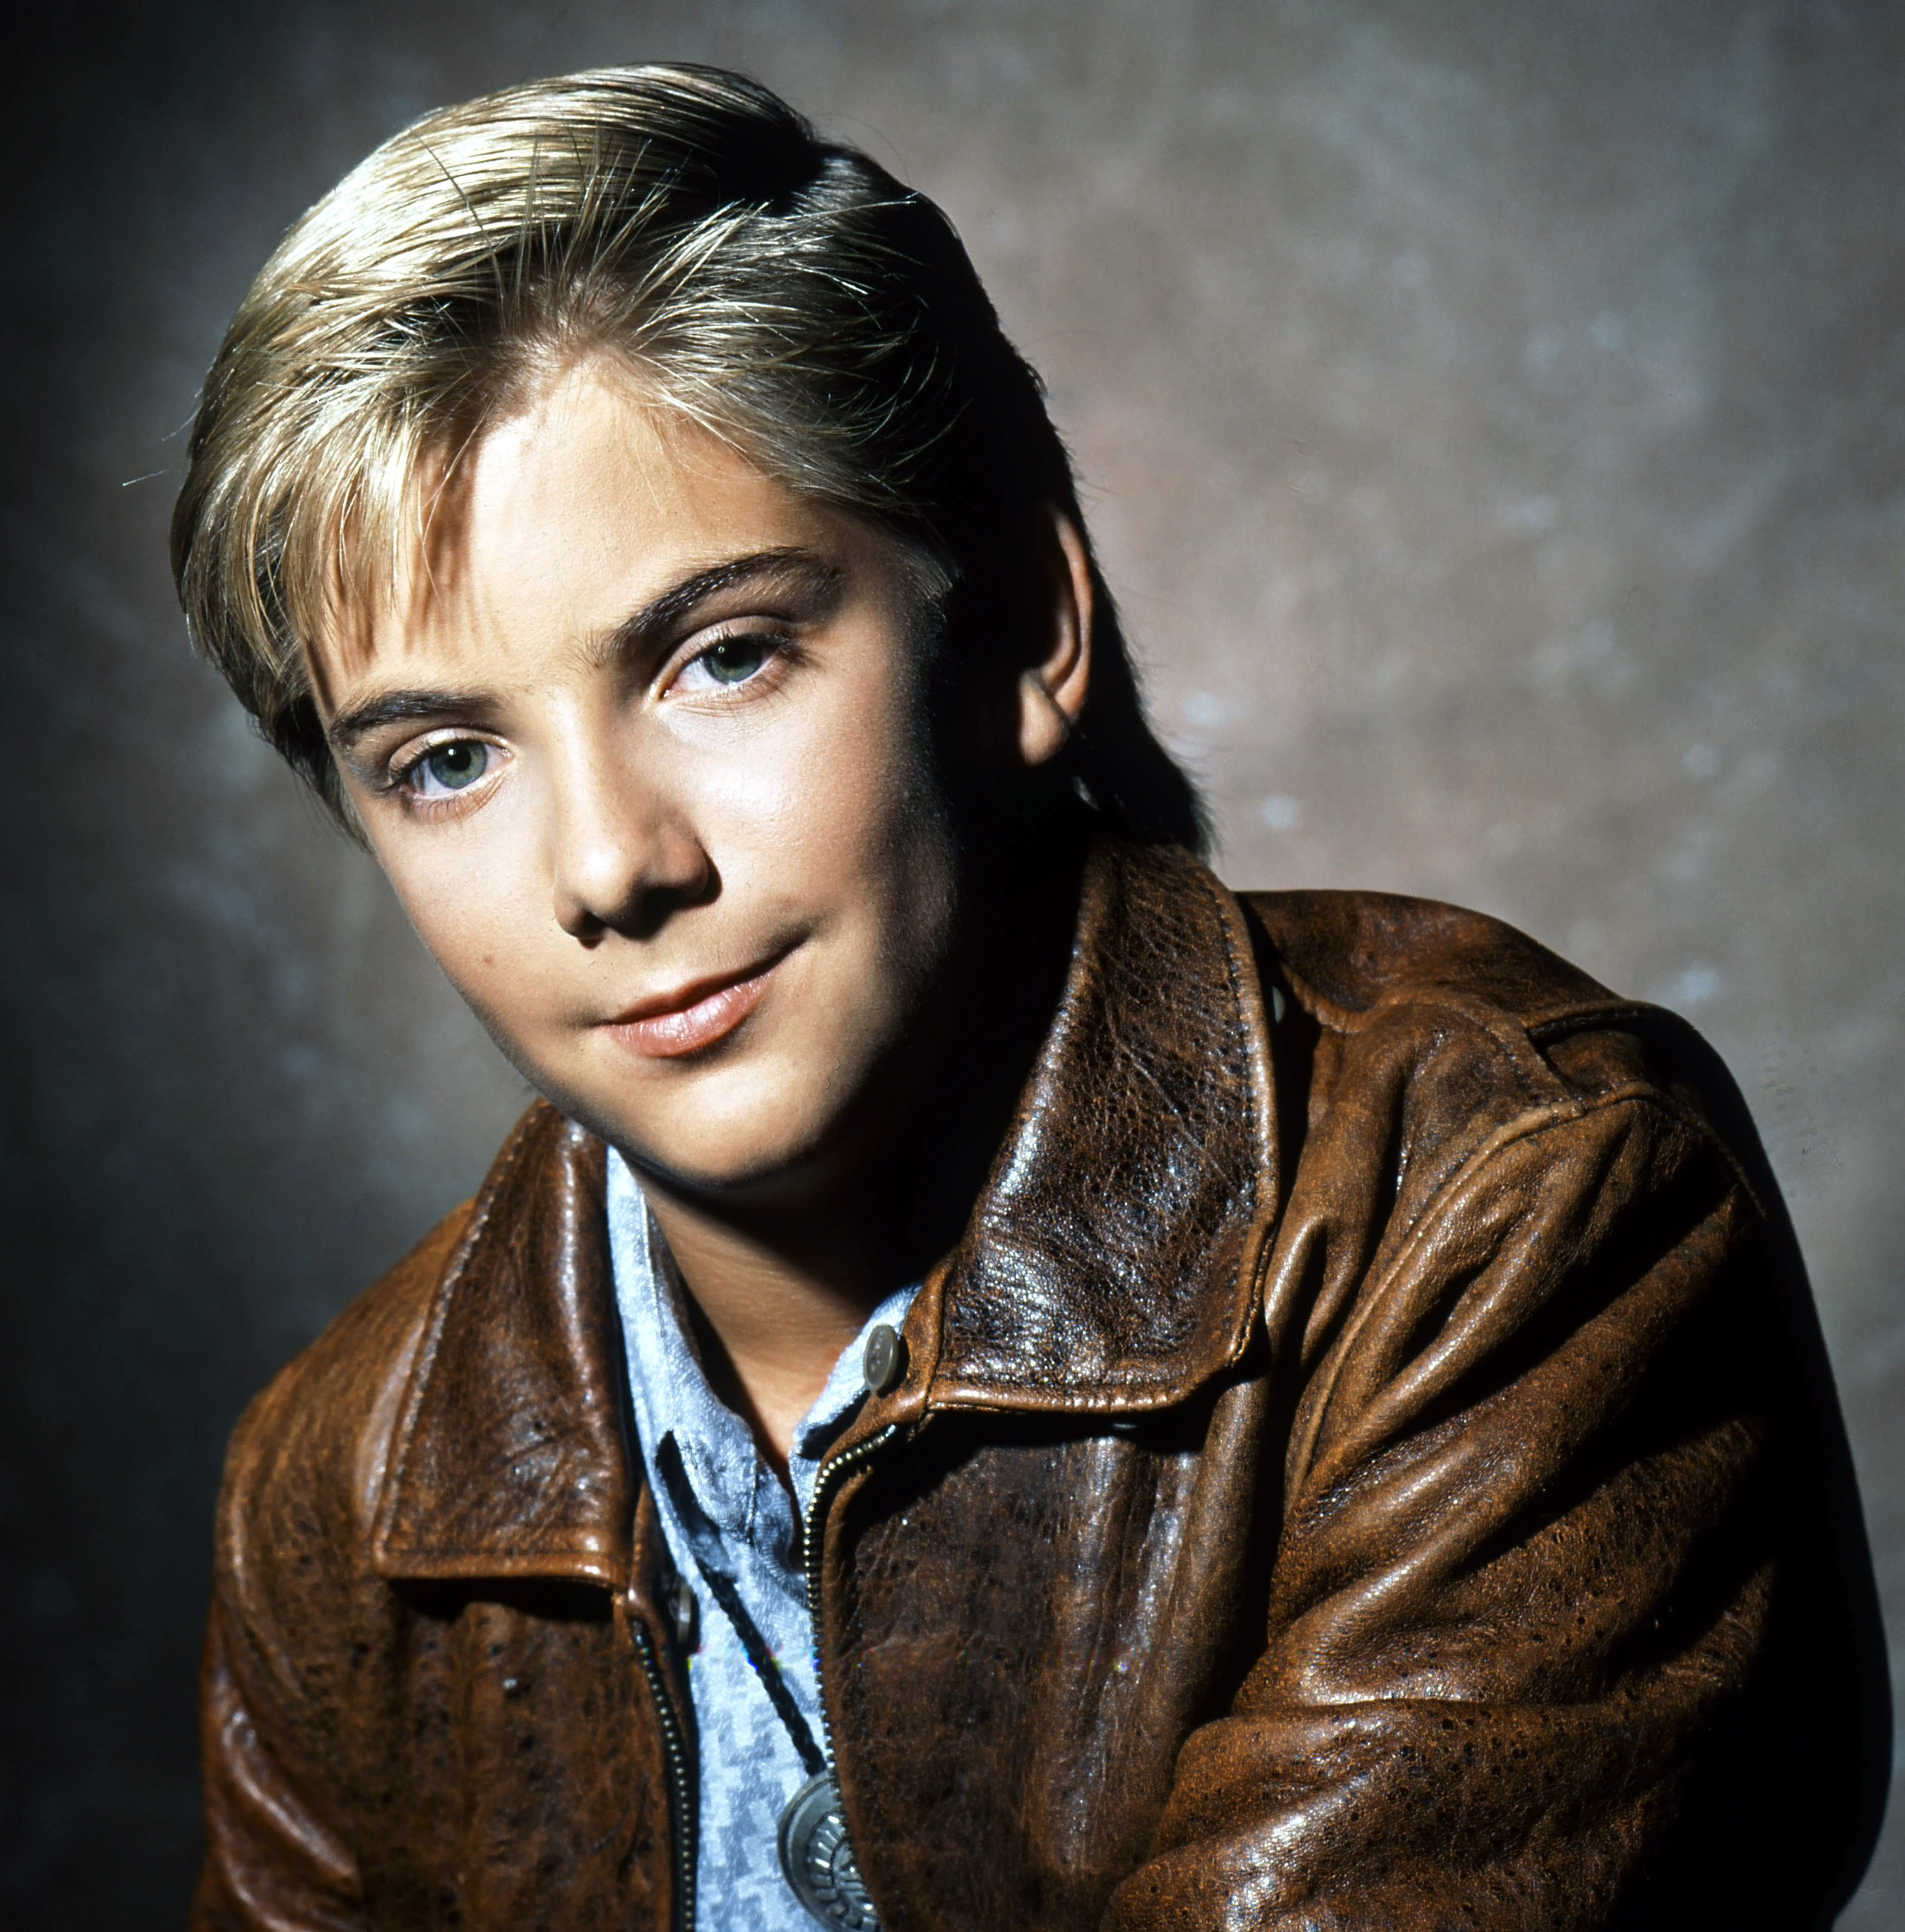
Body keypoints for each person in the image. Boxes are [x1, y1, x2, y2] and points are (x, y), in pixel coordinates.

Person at [171, 64, 1885, 1932]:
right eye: (442, 760)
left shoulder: (1511, 1209)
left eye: (722, 656)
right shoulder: (339, 1489)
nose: (608, 867)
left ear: (1024, 625)